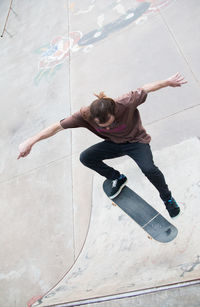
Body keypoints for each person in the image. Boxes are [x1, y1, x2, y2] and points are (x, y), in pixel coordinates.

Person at [18, 73, 187, 218]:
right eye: (102, 126)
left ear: (114, 111)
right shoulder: (84, 115)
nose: (106, 128)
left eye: (109, 124)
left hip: (136, 142)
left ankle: (167, 198)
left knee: (149, 169)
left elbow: (146, 88)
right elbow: (56, 127)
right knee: (86, 157)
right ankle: (116, 177)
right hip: (114, 144)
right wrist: (30, 141)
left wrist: (167, 82)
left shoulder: (126, 102)